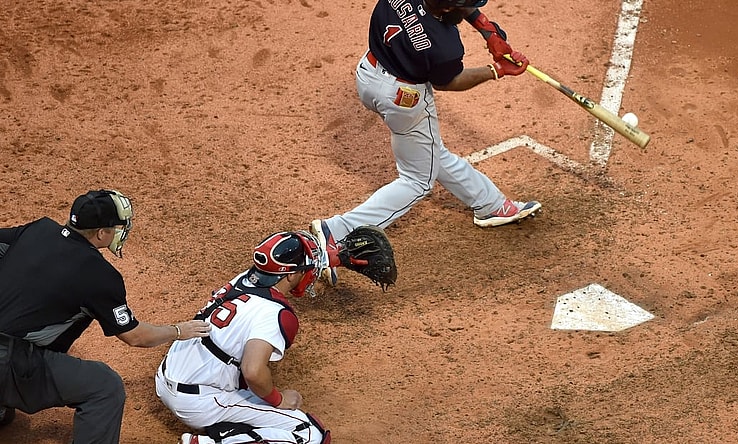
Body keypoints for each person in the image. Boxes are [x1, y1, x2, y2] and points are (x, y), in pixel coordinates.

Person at [310, 0, 541, 285]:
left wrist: (487, 29)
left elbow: (453, 7)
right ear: (446, 10)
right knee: (418, 180)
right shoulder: (443, 47)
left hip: (368, 73)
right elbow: (449, 81)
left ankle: (490, 204)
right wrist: (496, 71)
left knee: (430, 151)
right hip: (402, 99)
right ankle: (337, 230)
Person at [0, 189, 211, 443]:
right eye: (116, 227)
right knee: (105, 387)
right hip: (8, 360)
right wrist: (178, 330)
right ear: (101, 233)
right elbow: (134, 336)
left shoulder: (39, 229)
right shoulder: (99, 275)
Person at [156, 230, 331, 444]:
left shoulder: (244, 279)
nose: (310, 273)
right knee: (311, 433)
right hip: (198, 402)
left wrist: (338, 256)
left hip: (168, 376)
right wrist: (279, 399)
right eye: (306, 268)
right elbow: (253, 371)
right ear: (292, 275)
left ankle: (228, 429)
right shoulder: (275, 313)